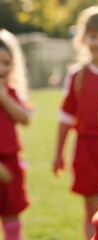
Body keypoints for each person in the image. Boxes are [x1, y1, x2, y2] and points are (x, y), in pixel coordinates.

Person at [51, 5, 98, 240]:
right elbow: (65, 117)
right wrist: (58, 154)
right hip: (86, 151)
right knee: (92, 210)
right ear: (84, 39)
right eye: (94, 36)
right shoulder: (76, 75)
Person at [0, 28, 31, 240]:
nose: (1, 68)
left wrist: (3, 97)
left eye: (6, 63)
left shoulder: (9, 92)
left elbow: (25, 118)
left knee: (12, 213)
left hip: (11, 162)